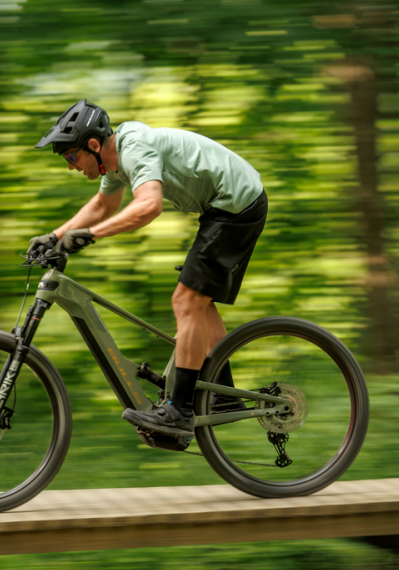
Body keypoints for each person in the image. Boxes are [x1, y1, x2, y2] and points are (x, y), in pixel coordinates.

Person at [30, 99, 267, 439]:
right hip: (222, 208)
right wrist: (55, 236)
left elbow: (148, 206)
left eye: (71, 157)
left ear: (93, 146)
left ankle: (179, 411)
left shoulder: (135, 147)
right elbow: (103, 204)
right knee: (197, 301)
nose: (71, 167)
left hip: (237, 205)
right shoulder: (115, 163)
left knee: (185, 302)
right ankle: (224, 396)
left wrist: (90, 236)